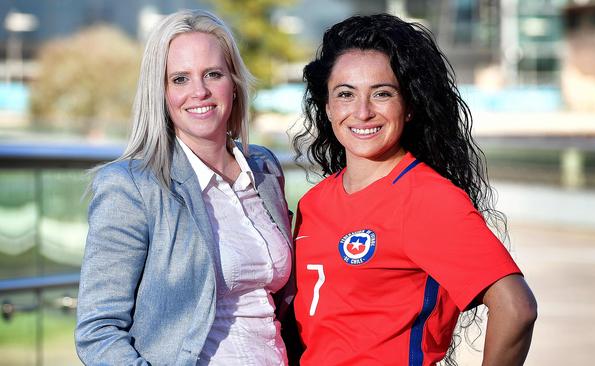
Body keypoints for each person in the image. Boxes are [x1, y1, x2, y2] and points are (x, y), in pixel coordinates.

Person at [292, 14, 537, 366]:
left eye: (382, 94)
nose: (362, 112)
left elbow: (516, 307)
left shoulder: (426, 198)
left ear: (408, 107)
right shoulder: (314, 202)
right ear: (328, 106)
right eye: (346, 94)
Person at [75, 9, 295, 365]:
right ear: (160, 92)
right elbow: (98, 331)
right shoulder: (132, 186)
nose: (199, 91)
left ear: (234, 84)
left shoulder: (264, 169)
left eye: (213, 74)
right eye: (180, 79)